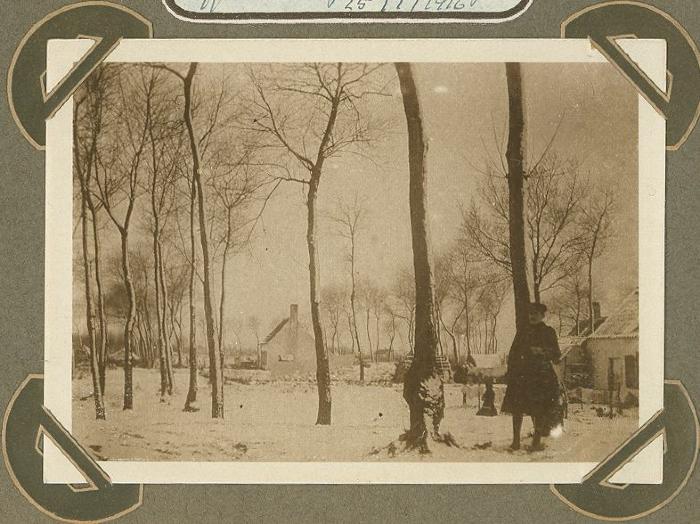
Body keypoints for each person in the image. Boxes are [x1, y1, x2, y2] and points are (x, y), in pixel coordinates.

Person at [501, 302, 563, 451]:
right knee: (517, 407)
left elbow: (557, 355)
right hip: (522, 376)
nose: (532, 316)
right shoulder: (522, 331)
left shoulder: (549, 332)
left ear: (542, 315)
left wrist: (542, 352)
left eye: (536, 313)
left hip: (541, 376)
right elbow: (513, 352)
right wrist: (511, 371)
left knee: (539, 408)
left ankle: (536, 440)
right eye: (530, 313)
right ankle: (515, 441)